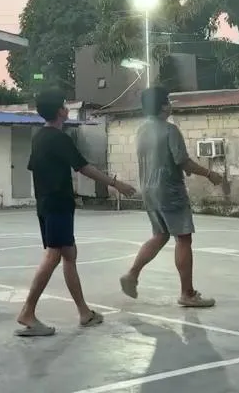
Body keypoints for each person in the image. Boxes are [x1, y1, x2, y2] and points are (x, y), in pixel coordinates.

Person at [16, 89, 136, 337]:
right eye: (64, 105)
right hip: (57, 204)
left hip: (47, 204)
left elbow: (35, 168)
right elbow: (83, 167)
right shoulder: (59, 138)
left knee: (69, 254)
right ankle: (28, 311)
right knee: (53, 256)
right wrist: (116, 184)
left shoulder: (39, 137)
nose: (66, 108)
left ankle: (84, 313)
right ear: (59, 111)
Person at [119, 86, 226, 308]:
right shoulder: (170, 130)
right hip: (169, 190)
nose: (170, 105)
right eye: (167, 101)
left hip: (149, 190)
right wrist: (210, 174)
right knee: (183, 238)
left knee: (160, 235)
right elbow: (183, 161)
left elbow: (164, 158)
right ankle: (187, 293)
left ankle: (132, 274)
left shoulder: (141, 130)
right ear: (162, 107)